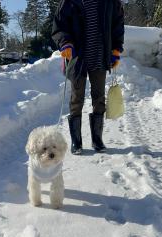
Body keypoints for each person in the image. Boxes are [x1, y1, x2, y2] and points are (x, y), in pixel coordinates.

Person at [52, 0, 124, 154]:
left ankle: (97, 140)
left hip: (100, 56)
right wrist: (65, 42)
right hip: (77, 58)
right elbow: (59, 24)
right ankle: (76, 142)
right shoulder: (69, 2)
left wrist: (116, 49)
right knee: (77, 98)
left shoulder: (111, 2)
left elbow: (117, 25)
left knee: (99, 98)